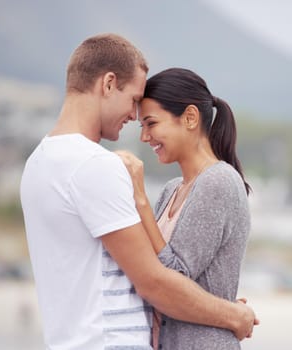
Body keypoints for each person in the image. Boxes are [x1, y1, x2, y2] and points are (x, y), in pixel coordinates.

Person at [20, 34, 257, 350]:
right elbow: (155, 282)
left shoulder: (38, 163)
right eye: (133, 101)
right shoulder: (94, 165)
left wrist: (211, 302)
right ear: (108, 84)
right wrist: (233, 314)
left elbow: (161, 275)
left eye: (148, 120)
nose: (134, 119)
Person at [117, 67, 255, 349]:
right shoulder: (172, 189)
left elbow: (174, 278)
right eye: (141, 126)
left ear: (190, 117)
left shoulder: (219, 181)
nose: (145, 137)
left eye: (151, 123)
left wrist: (140, 198)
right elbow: (148, 265)